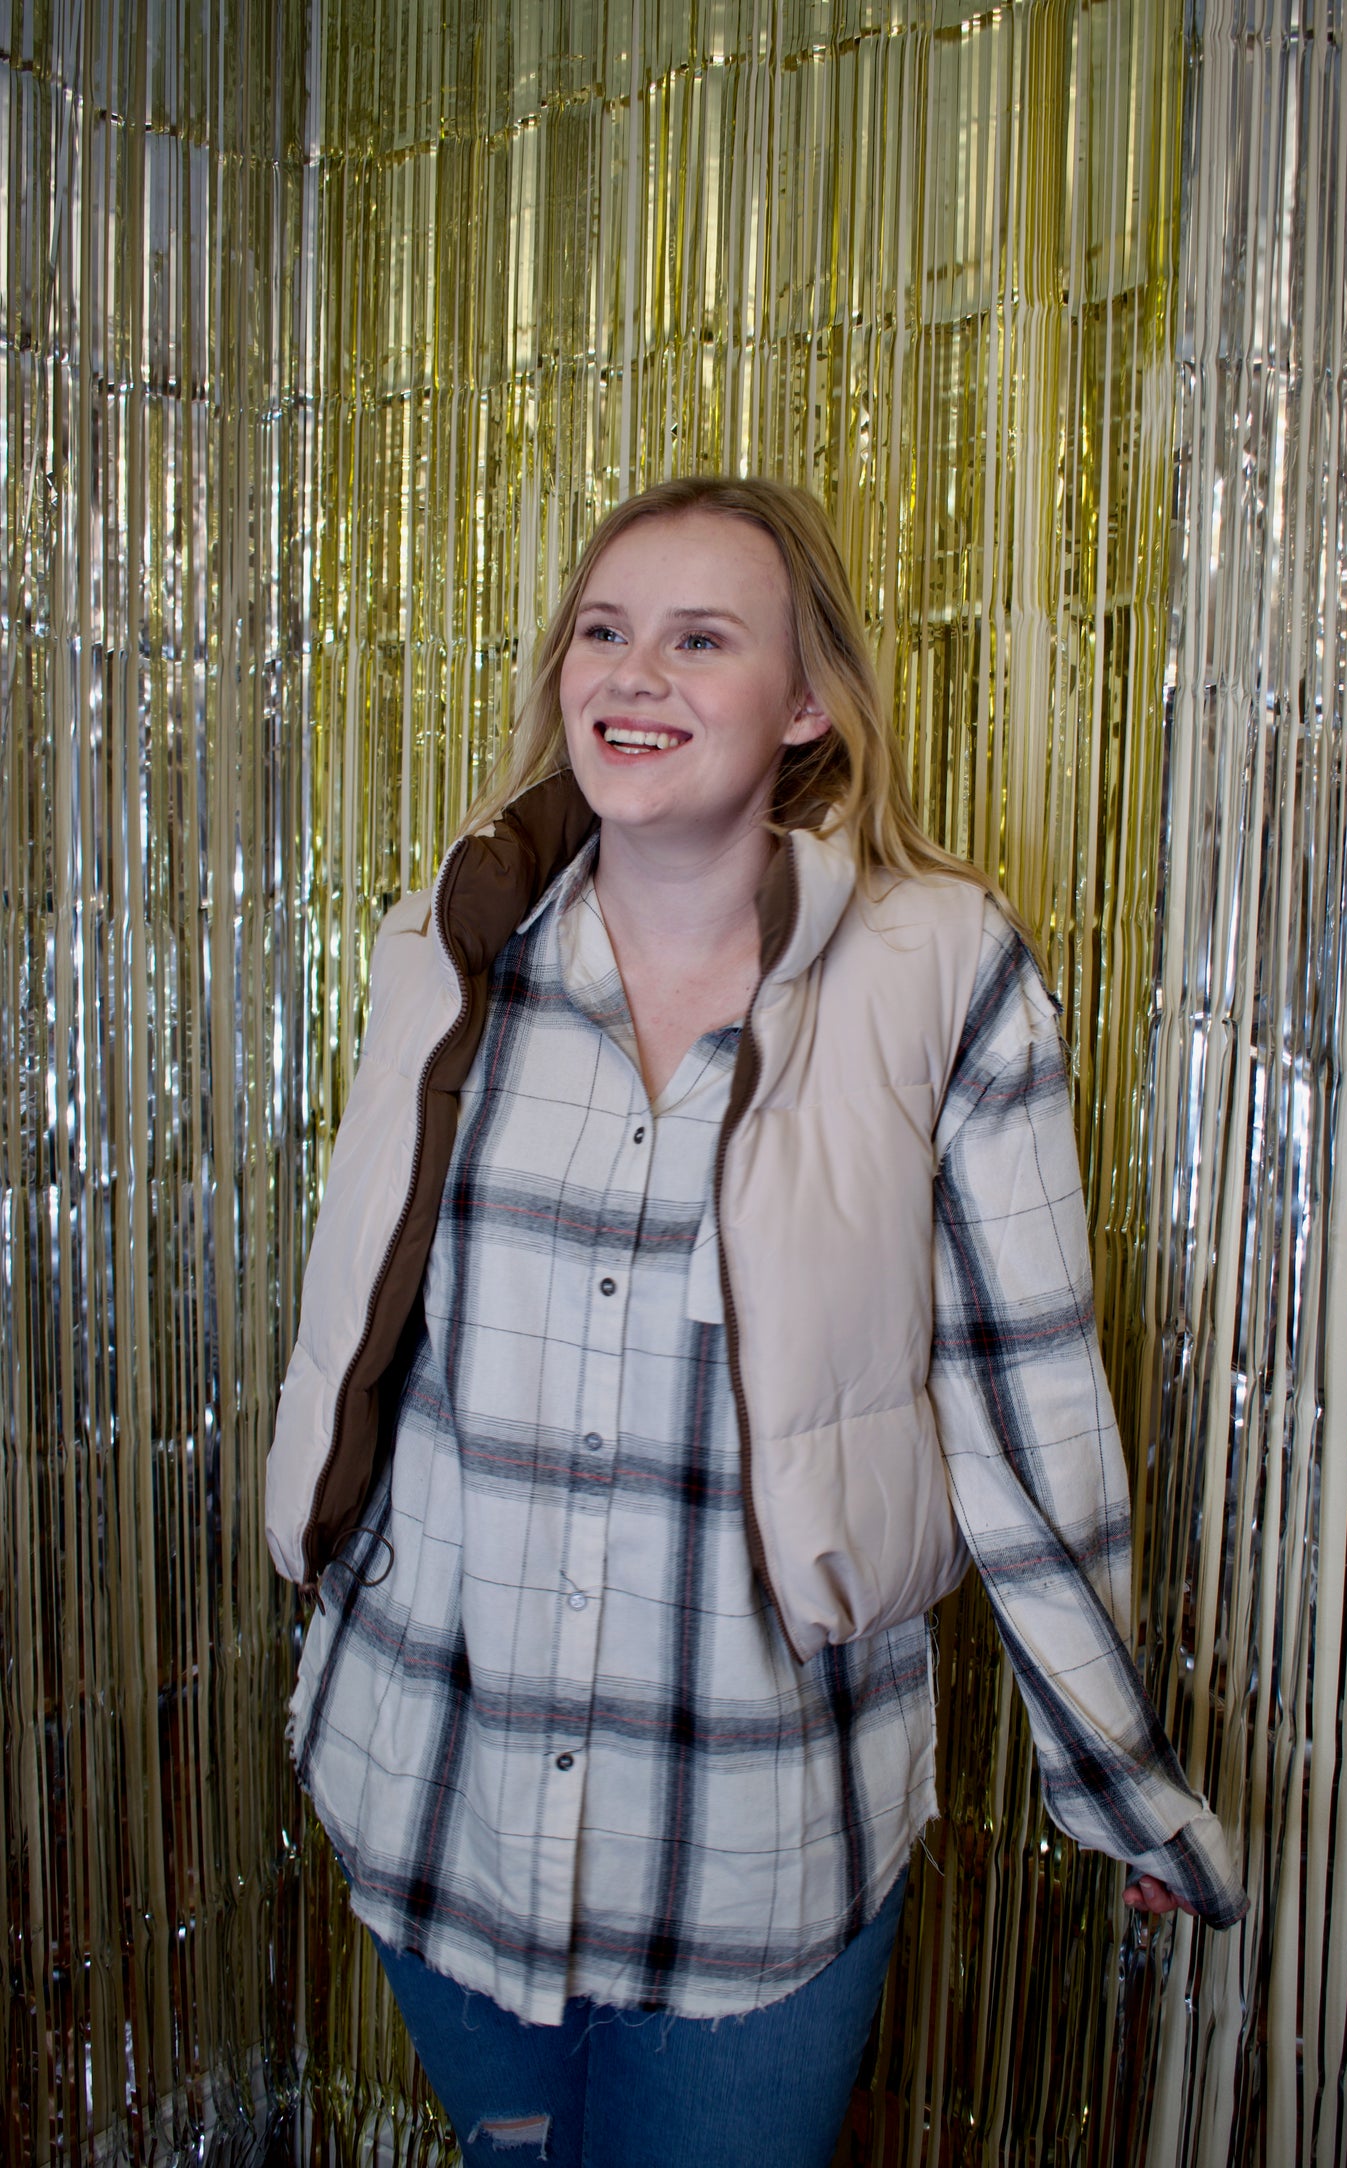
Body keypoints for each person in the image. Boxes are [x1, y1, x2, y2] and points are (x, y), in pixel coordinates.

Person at [266, 476, 1246, 2168]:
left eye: (699, 638)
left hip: (755, 1833)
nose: (632, 674)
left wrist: (1112, 1769)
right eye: (603, 630)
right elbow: (374, 1334)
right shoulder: (442, 945)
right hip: (436, 1783)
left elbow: (1024, 1406)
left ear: (803, 701)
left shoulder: (938, 971)